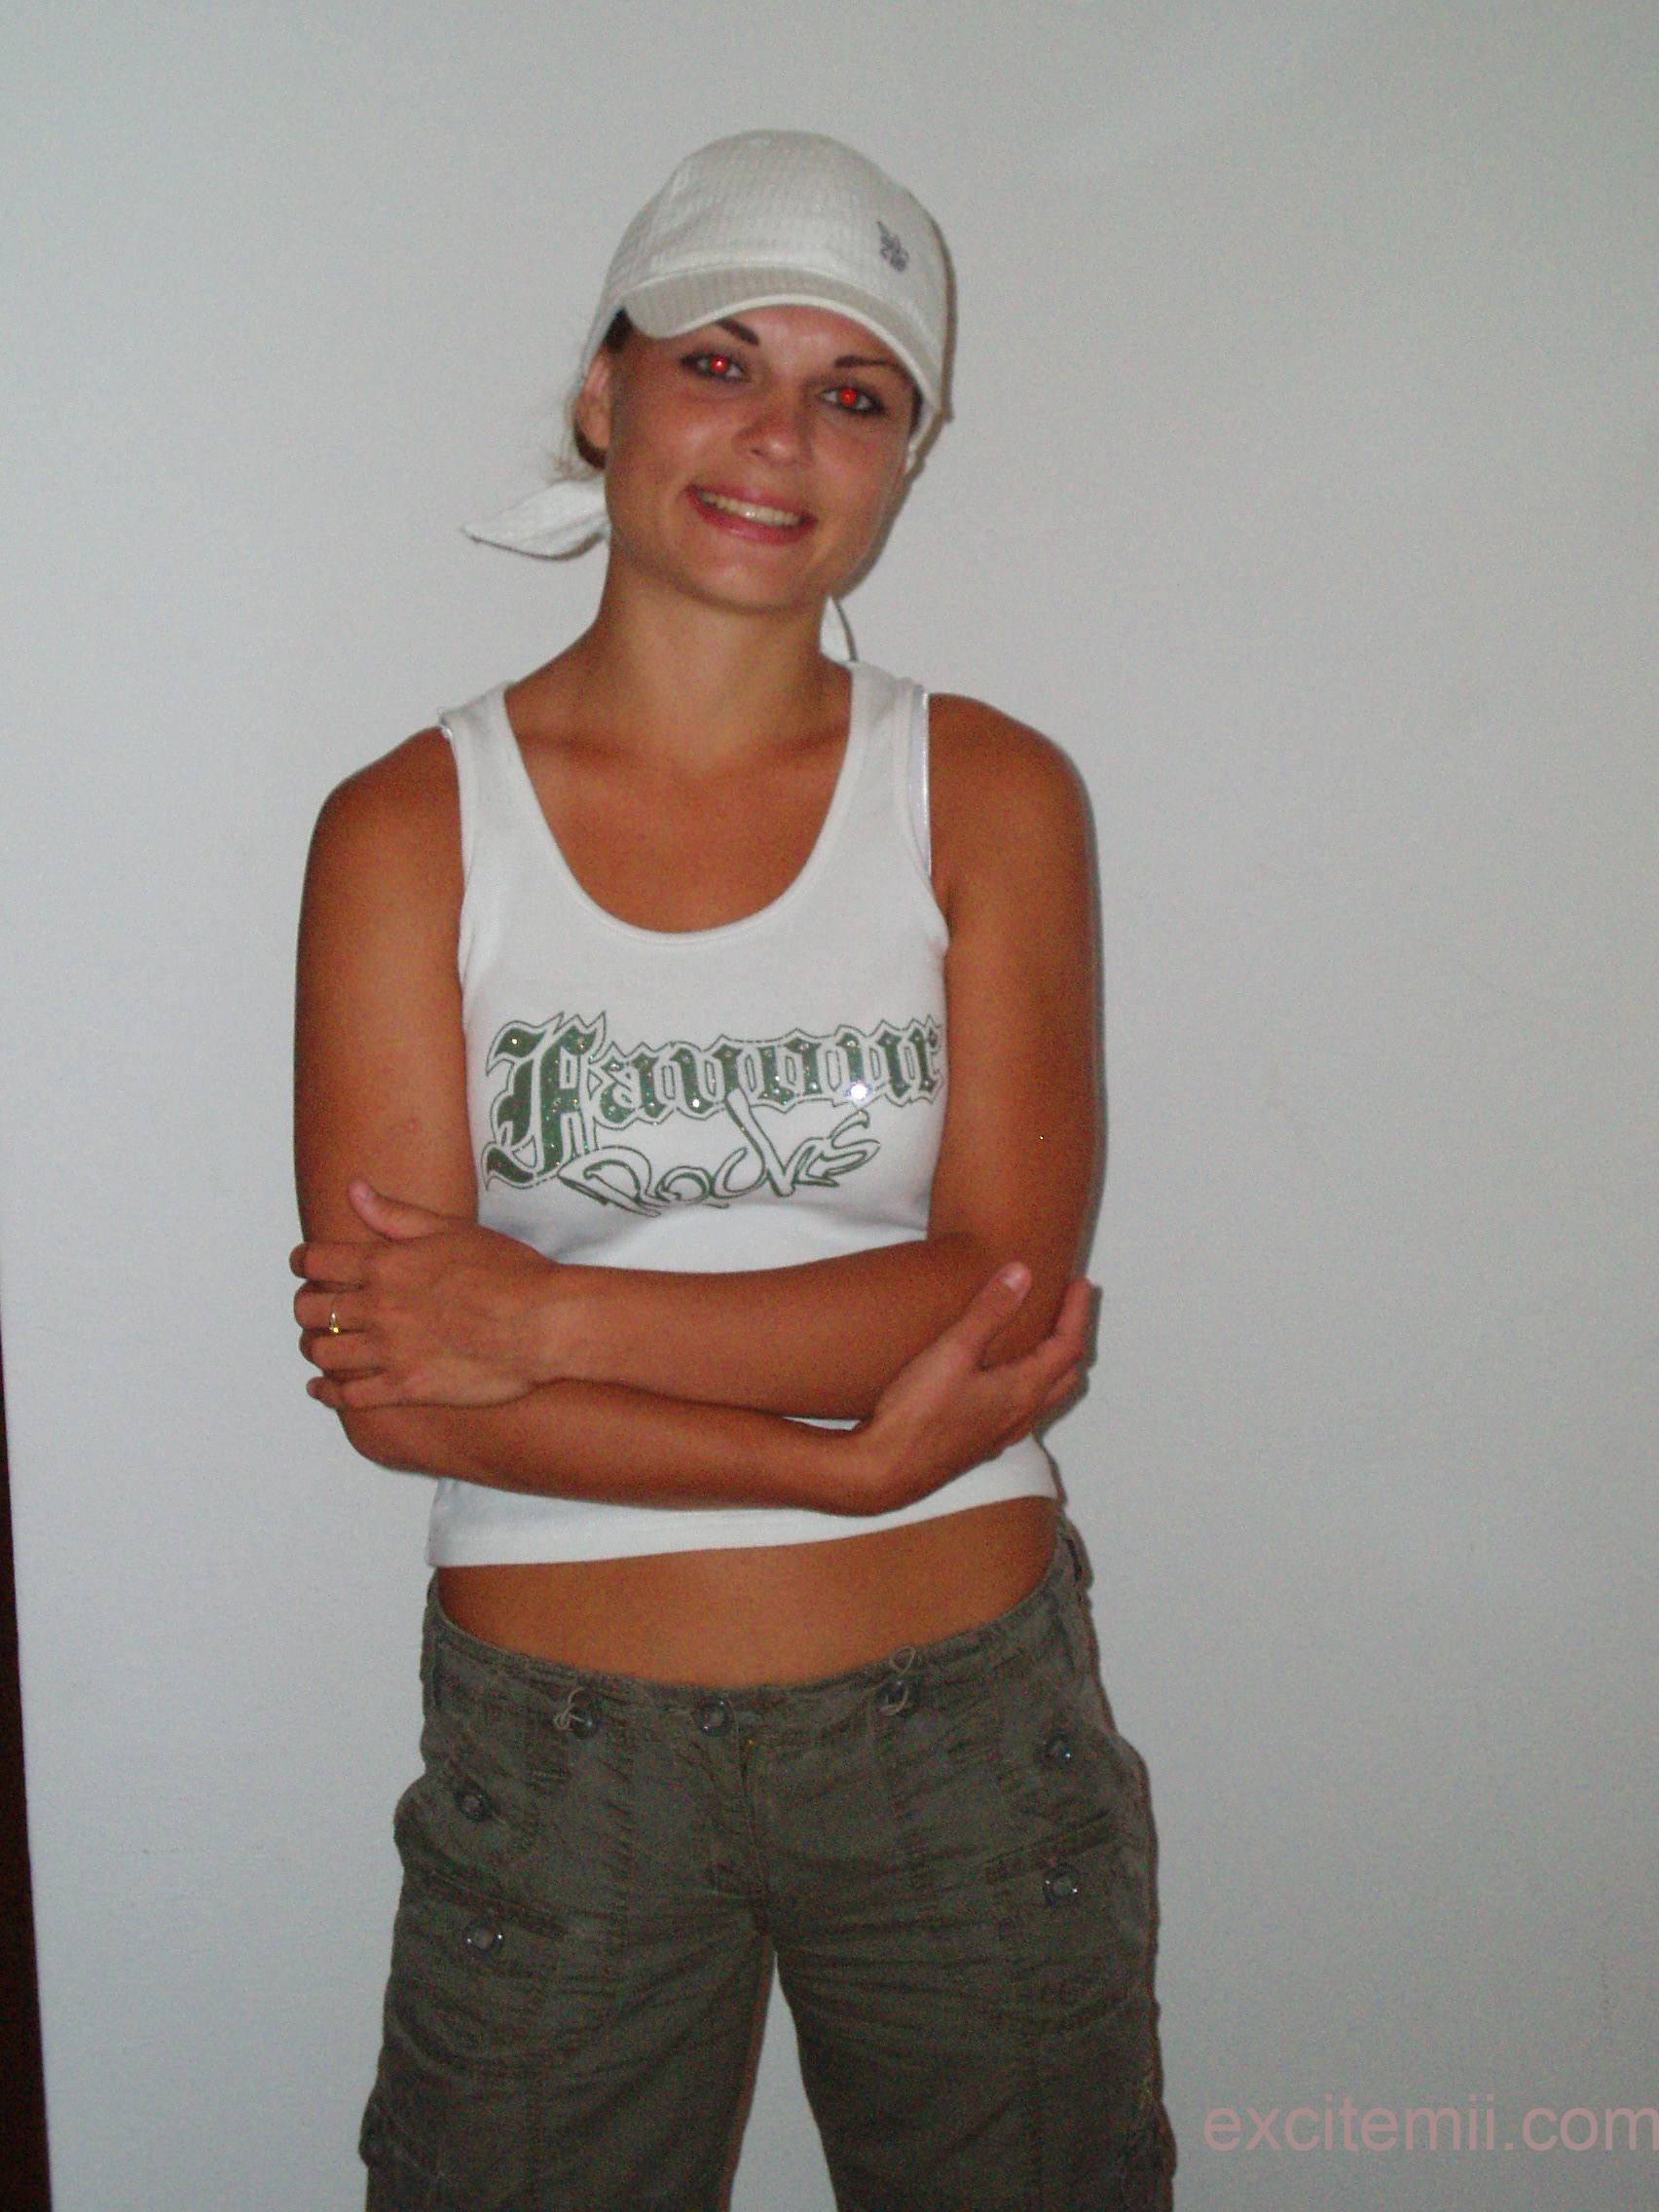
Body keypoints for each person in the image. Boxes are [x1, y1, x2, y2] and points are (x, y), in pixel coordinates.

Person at [291, 129, 1171, 2210]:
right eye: (720, 362)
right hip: (559, 1757)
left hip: (966, 1732)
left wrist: (545, 1314)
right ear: (604, 396)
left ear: (903, 459)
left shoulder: (986, 791)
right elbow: (400, 1386)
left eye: (855, 393)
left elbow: (995, 1293)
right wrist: (837, 1466)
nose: (782, 435)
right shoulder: (409, 827)